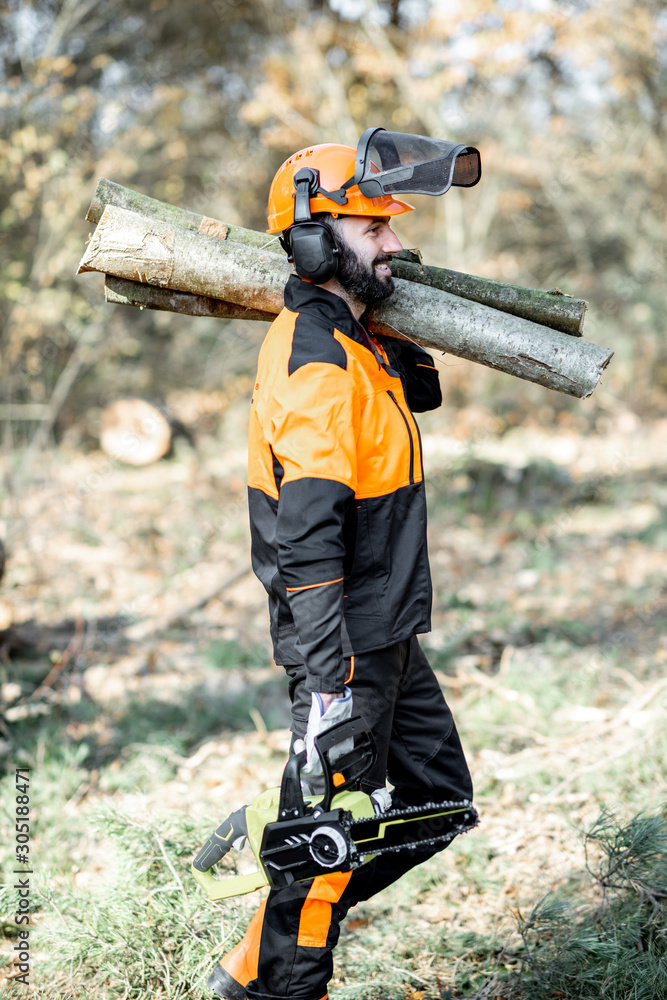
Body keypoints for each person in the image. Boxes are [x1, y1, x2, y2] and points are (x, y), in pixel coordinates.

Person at [208, 141, 473, 1000]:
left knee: (438, 803)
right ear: (315, 240)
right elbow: (307, 544)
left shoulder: (356, 342)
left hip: (385, 628)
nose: (393, 245)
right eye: (372, 228)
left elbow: (420, 394)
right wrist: (326, 693)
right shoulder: (315, 364)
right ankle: (276, 983)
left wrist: (394, 314)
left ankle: (262, 946)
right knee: (326, 847)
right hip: (344, 645)